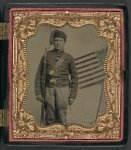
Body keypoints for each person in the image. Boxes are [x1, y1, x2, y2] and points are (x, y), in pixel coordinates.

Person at [35, 30, 78, 125]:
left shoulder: (69, 58)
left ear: (64, 42)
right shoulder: (46, 56)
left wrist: (72, 95)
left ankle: (62, 135)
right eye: (56, 40)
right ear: (53, 42)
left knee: (62, 115)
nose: (58, 43)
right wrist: (38, 92)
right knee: (49, 114)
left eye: (60, 40)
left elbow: (75, 77)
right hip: (48, 89)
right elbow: (38, 75)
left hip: (63, 89)